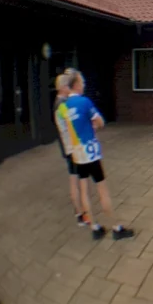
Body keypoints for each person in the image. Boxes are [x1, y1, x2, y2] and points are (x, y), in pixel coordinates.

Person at [59, 70, 134, 240]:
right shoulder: (84, 102)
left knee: (85, 190)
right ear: (76, 84)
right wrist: (94, 125)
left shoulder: (64, 106)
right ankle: (116, 228)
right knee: (102, 190)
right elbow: (100, 122)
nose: (84, 85)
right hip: (91, 153)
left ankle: (94, 227)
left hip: (77, 155)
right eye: (82, 82)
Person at [54, 71, 91, 227]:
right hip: (73, 149)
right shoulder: (62, 105)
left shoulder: (59, 103)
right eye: (67, 86)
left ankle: (80, 213)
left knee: (75, 179)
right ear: (63, 87)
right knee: (76, 181)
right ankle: (81, 214)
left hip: (69, 148)